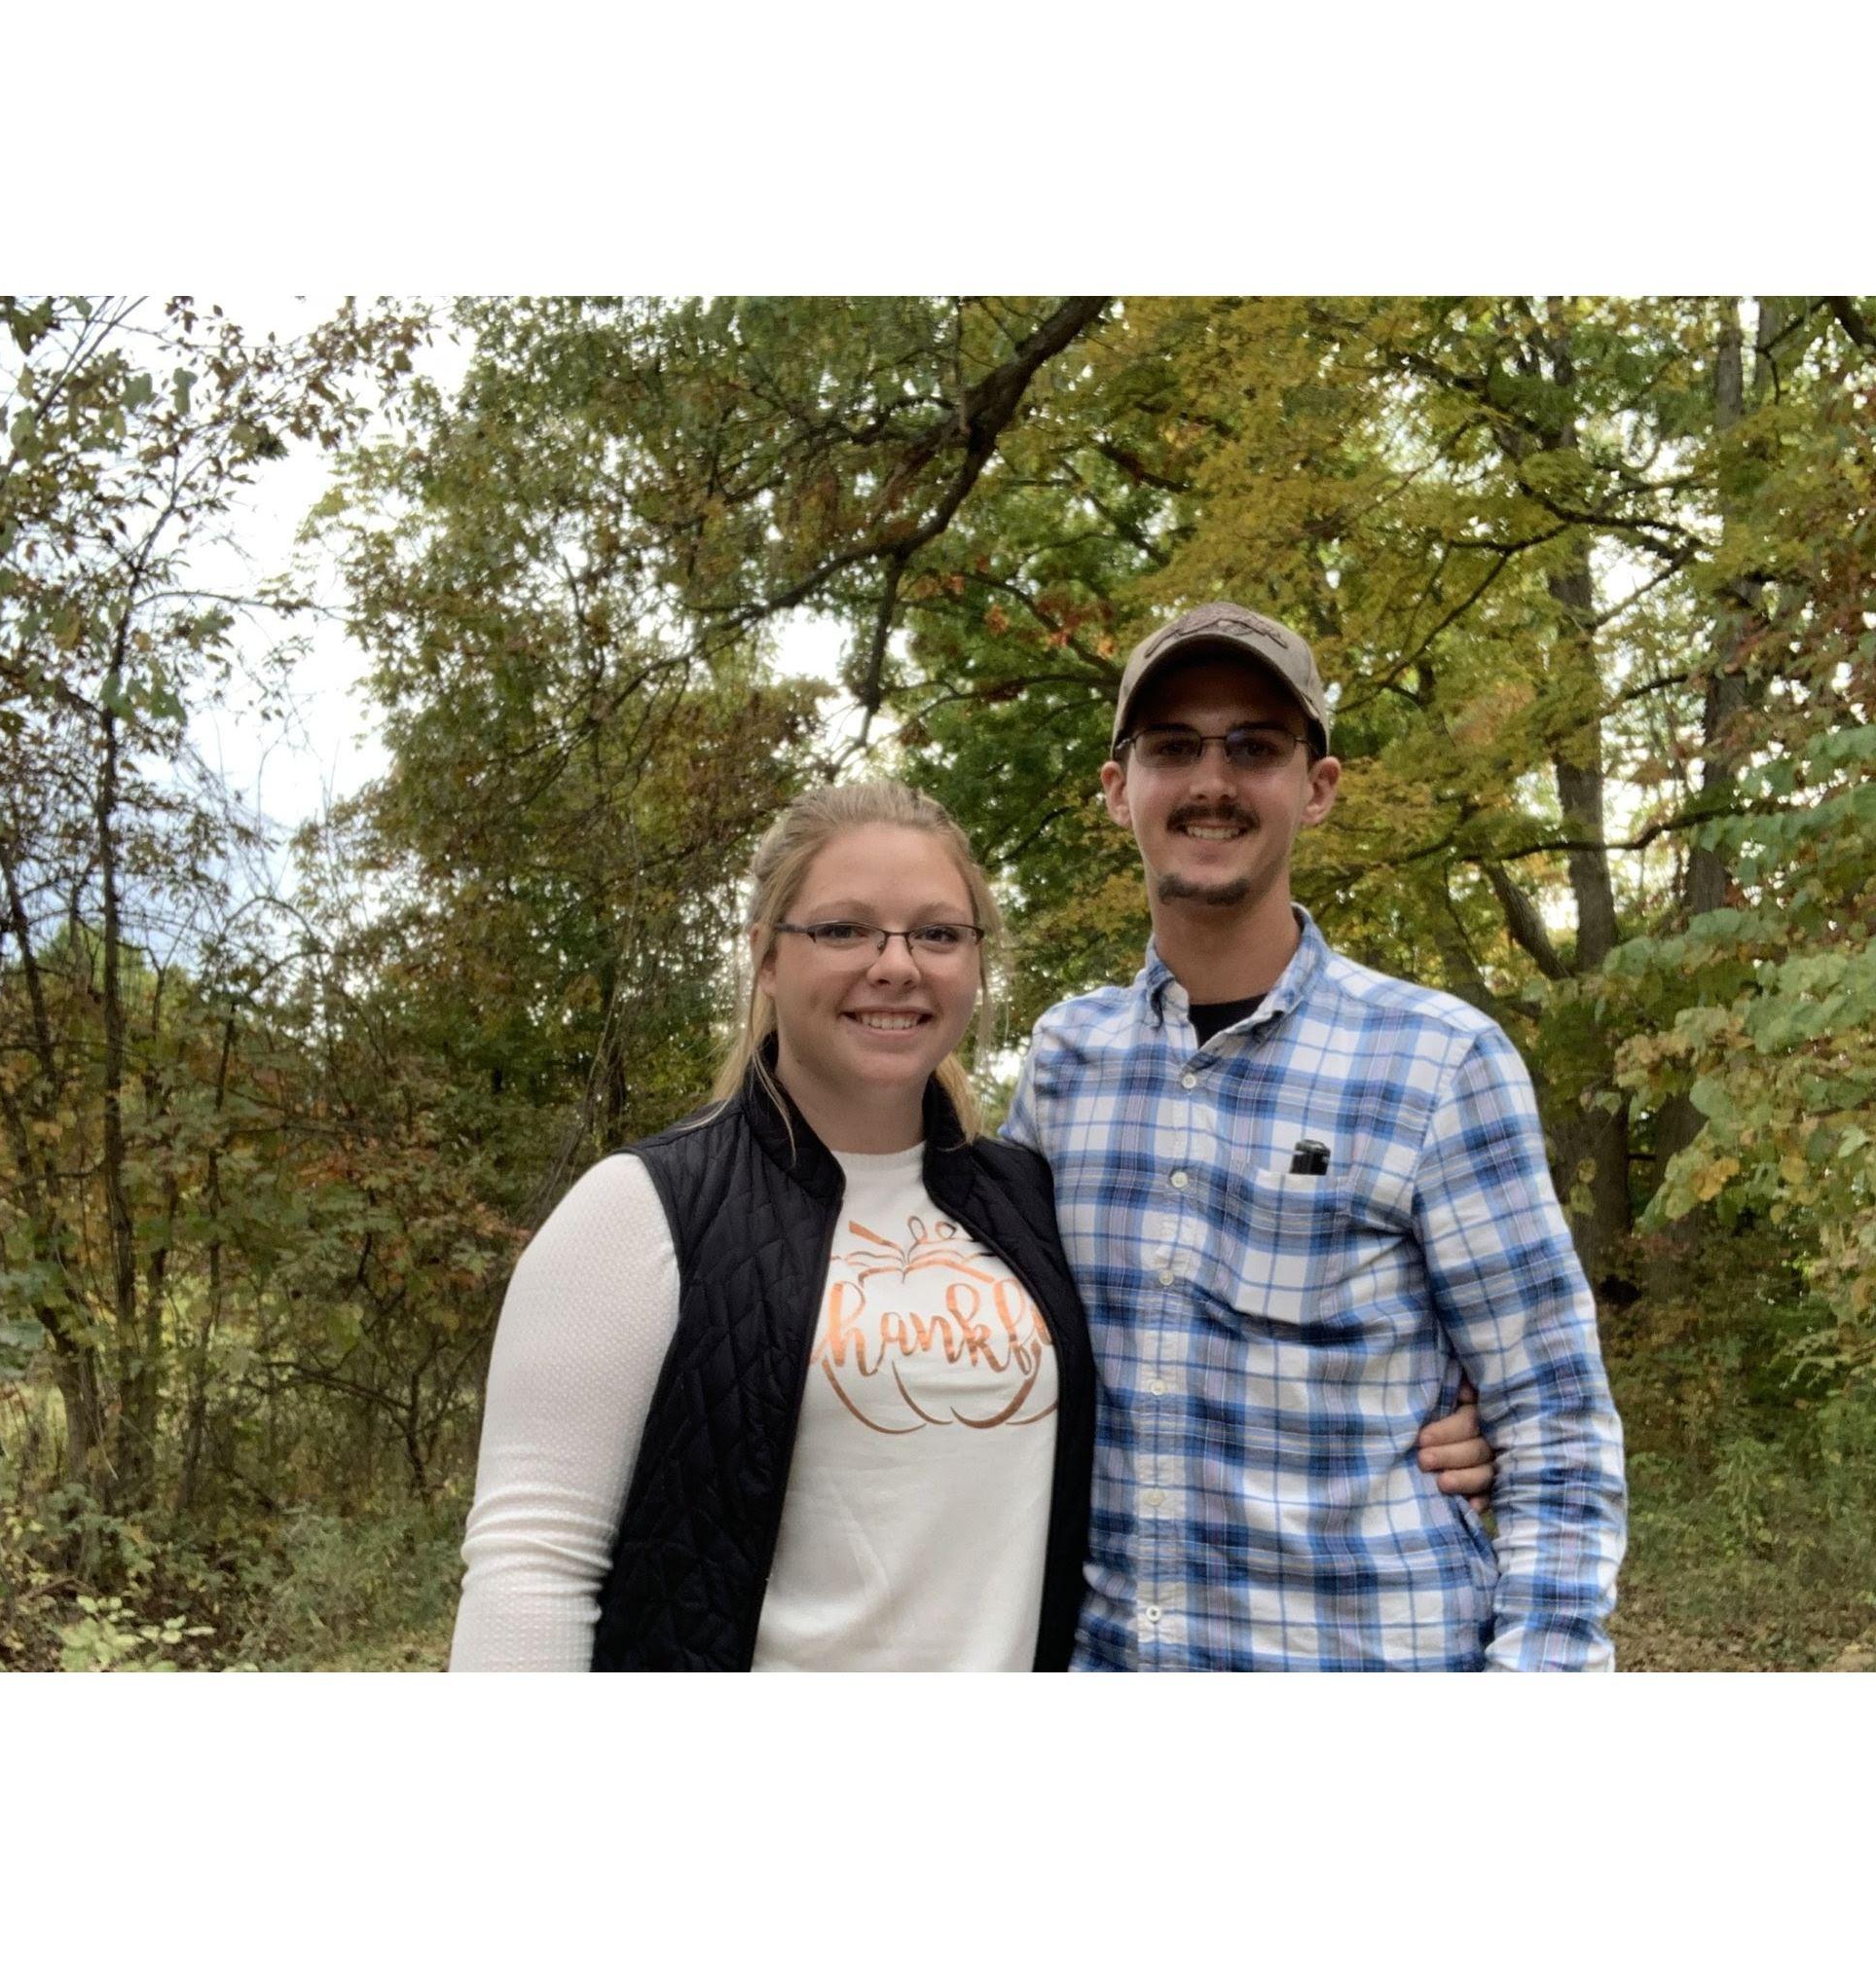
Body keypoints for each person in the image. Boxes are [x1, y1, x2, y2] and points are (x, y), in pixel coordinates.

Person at [448, 778, 1494, 1669]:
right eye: (844, 927)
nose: (894, 963)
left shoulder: (1021, 1198)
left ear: (972, 964)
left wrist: (1415, 1410)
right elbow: (531, 1566)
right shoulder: (641, 1212)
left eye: (936, 934)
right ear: (768, 957)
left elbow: (1168, 1349)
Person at [1003, 599, 1630, 1670]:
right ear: (1118, 790)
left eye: (1254, 746)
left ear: (1317, 787)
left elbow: (1554, 1425)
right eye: (1172, 747)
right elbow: (989, 1361)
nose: (1211, 780)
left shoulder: (1438, 1061)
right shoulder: (1064, 1062)